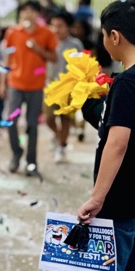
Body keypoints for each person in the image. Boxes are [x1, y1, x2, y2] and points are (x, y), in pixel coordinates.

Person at [42, 0, 135, 271]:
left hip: (120, 200)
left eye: (105, 36)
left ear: (115, 36)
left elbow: (117, 144)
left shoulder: (129, 81)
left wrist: (97, 197)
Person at [3, 0, 58, 177]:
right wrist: (3, 82)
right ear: (20, 14)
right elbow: (7, 58)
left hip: (36, 86)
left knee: (32, 125)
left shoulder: (46, 33)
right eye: (25, 11)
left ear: (38, 14)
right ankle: (16, 153)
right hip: (15, 84)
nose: (28, 14)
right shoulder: (13, 33)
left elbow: (54, 57)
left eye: (32, 11)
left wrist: (38, 49)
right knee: (10, 121)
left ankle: (31, 163)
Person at [44, 11, 84, 163]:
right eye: (53, 25)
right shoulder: (48, 42)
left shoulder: (75, 45)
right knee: (48, 118)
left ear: (68, 27)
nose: (56, 29)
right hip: (50, 85)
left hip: (68, 87)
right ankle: (59, 135)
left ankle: (61, 146)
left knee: (65, 118)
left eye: (60, 26)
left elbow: (80, 66)